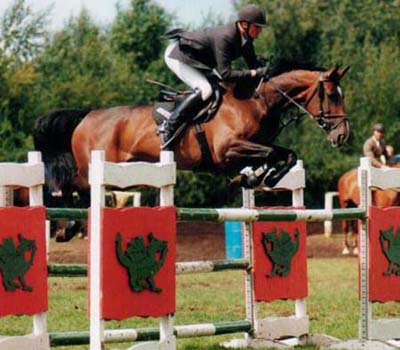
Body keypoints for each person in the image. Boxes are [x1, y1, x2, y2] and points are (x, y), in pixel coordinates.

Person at [162, 3, 271, 149]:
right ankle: (169, 125)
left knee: (221, 89)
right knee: (205, 90)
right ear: (244, 24)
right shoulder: (226, 36)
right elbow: (225, 73)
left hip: (199, 61)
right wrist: (253, 73)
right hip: (179, 56)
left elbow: (254, 66)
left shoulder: (246, 39)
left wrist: (265, 71)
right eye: (257, 27)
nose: (260, 31)